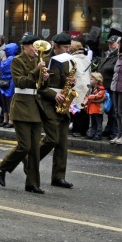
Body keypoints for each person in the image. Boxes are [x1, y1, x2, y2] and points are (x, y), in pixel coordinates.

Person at [0, 34, 47, 194]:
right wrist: (36, 70)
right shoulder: (17, 60)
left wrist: (44, 78)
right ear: (25, 46)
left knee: (35, 149)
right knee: (24, 146)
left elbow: (40, 86)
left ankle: (32, 183)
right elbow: (20, 82)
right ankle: (3, 167)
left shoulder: (37, 61)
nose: (36, 50)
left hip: (35, 106)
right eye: (33, 46)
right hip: (21, 105)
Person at [37, 33, 75, 189]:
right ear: (56, 46)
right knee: (52, 138)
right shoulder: (44, 61)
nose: (68, 50)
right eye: (65, 47)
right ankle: (31, 159)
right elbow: (39, 86)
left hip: (63, 103)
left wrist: (71, 83)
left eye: (69, 47)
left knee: (62, 142)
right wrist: (54, 95)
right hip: (47, 103)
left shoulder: (67, 62)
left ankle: (58, 176)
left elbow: (65, 82)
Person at [0, 42, 18, 128]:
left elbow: (2, 68)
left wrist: (2, 61)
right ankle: (6, 119)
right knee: (4, 101)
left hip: (9, 82)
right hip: (6, 82)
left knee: (9, 101)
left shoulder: (11, 58)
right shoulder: (10, 58)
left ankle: (10, 120)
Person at [85, 72, 108, 141]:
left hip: (98, 109)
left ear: (97, 80)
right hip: (92, 109)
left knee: (98, 123)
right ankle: (92, 133)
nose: (90, 80)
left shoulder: (101, 89)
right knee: (93, 122)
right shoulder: (91, 88)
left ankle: (98, 134)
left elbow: (99, 96)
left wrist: (89, 97)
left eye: (92, 79)